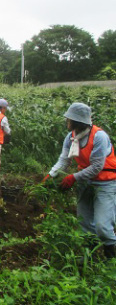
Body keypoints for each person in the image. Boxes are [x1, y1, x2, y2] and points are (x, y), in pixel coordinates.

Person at [45, 103, 116, 259]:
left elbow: (97, 167)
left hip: (105, 183)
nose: (67, 122)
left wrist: (73, 177)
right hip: (85, 182)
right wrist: (50, 175)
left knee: (102, 226)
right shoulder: (70, 138)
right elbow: (64, 160)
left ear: (77, 121)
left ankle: (111, 259)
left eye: (69, 119)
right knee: (84, 222)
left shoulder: (99, 137)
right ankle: (90, 256)